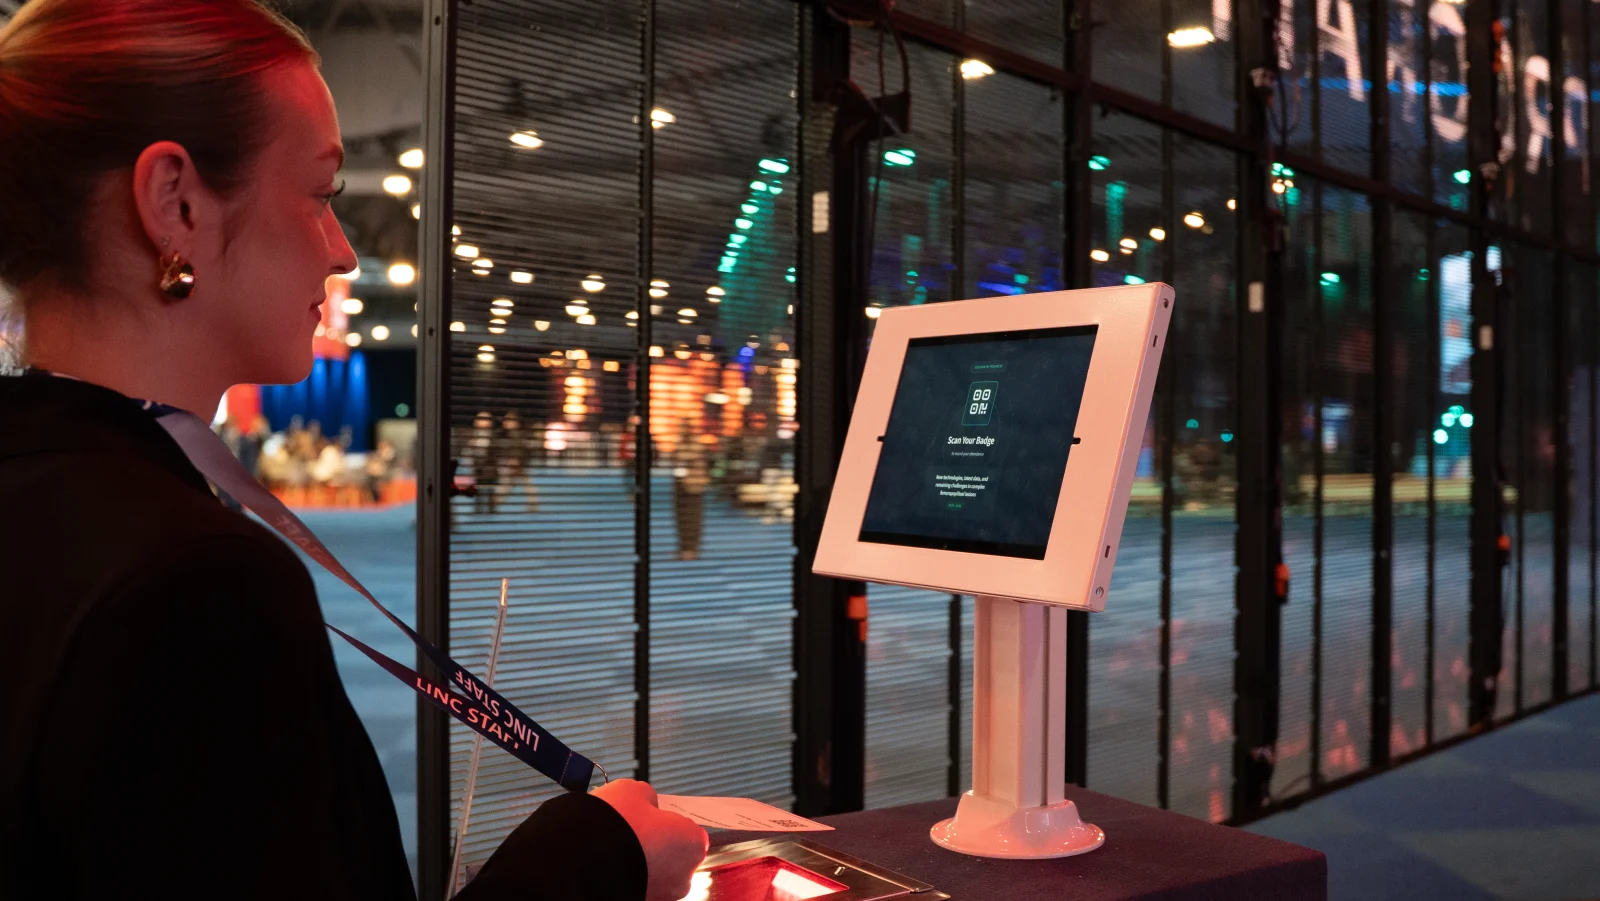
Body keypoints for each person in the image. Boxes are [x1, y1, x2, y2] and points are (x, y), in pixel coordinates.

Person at [0, 2, 707, 900]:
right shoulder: (191, 582)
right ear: (174, 202)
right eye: (323, 194)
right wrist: (597, 854)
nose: (342, 252)